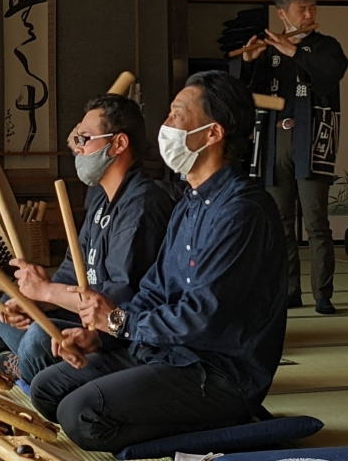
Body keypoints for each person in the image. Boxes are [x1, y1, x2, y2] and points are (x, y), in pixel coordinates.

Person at [29, 71, 288, 453]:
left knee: (80, 415)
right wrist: (100, 334)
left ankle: (223, 423)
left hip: (216, 371)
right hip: (166, 352)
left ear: (212, 134)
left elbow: (202, 316)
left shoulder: (242, 210)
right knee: (47, 389)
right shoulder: (189, 201)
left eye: (176, 116)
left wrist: (119, 321)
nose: (165, 126)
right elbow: (154, 288)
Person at [0, 94, 174, 384]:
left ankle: (29, 373)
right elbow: (72, 272)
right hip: (87, 313)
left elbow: (118, 300)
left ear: (119, 144)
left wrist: (48, 292)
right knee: (6, 306)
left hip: (121, 331)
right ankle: (30, 371)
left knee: (39, 339)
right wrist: (33, 298)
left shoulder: (143, 205)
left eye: (84, 138)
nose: (77, 149)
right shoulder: (102, 198)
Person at [243, 0, 348, 314]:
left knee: (317, 222)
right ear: (282, 13)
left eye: (312, 7)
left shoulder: (326, 46)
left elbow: (330, 76)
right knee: (281, 222)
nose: (309, 14)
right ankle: (289, 289)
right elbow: (248, 95)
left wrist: (294, 52)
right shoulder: (266, 50)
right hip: (274, 141)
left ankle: (323, 293)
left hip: (311, 141)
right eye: (302, 8)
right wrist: (248, 63)